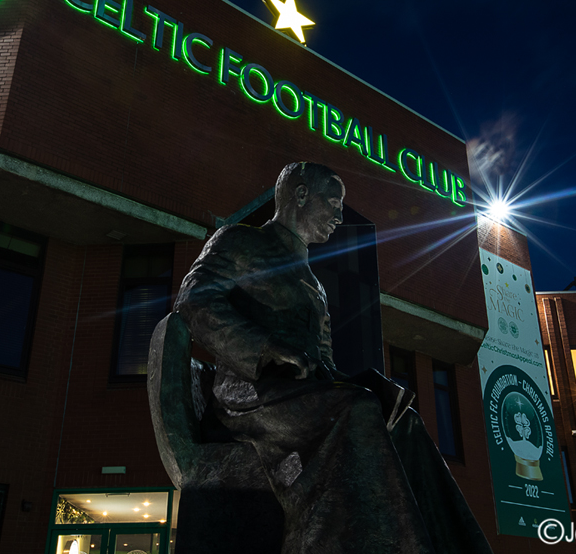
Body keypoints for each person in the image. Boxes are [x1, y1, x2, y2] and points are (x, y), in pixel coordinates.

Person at [175, 162, 493, 554]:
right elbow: (194, 300)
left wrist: (358, 382)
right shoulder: (240, 240)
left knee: (404, 421)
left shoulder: (314, 284)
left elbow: (325, 360)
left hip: (305, 396)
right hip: (251, 396)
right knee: (357, 408)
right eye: (333, 203)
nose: (340, 216)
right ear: (301, 194)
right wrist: (264, 347)